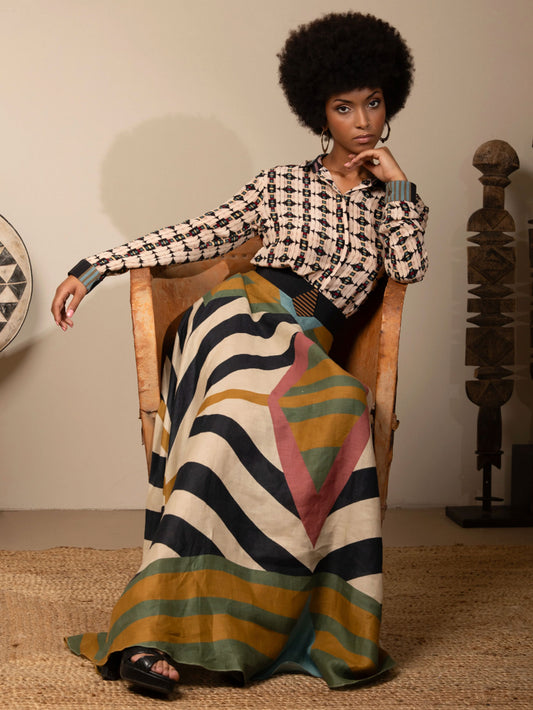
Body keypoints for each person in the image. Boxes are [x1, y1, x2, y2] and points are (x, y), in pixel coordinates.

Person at [52, 11, 428, 697]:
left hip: (305, 346)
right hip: (239, 315)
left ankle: (280, 620)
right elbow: (201, 232)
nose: (363, 121)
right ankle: (148, 634)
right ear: (319, 113)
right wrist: (97, 264)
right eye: (344, 107)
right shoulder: (281, 183)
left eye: (373, 103)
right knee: (228, 414)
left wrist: (397, 183)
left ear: (390, 102)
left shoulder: (395, 202)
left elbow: (409, 268)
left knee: (344, 406)